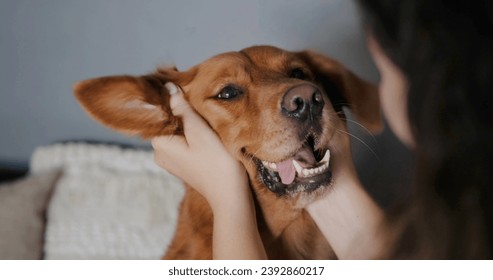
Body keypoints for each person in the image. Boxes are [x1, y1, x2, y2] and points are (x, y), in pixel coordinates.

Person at [152, 0, 493, 259]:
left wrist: (226, 198)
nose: (302, 97)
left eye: (298, 76)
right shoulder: (458, 223)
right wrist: (323, 164)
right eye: (229, 93)